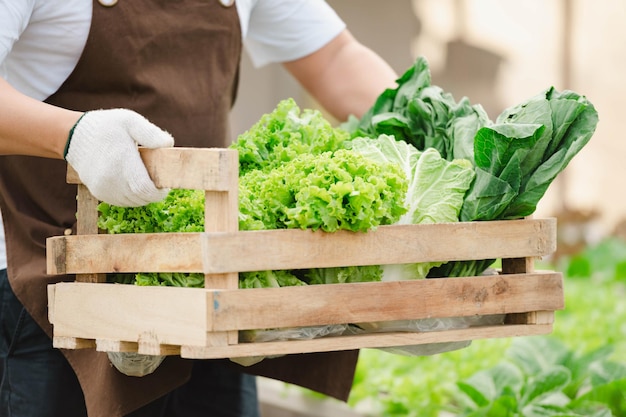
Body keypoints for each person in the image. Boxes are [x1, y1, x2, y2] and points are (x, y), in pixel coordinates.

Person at [0, 1, 399, 416]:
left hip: (208, 289)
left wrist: (433, 130)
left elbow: (335, 58)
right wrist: (73, 136)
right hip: (51, 292)